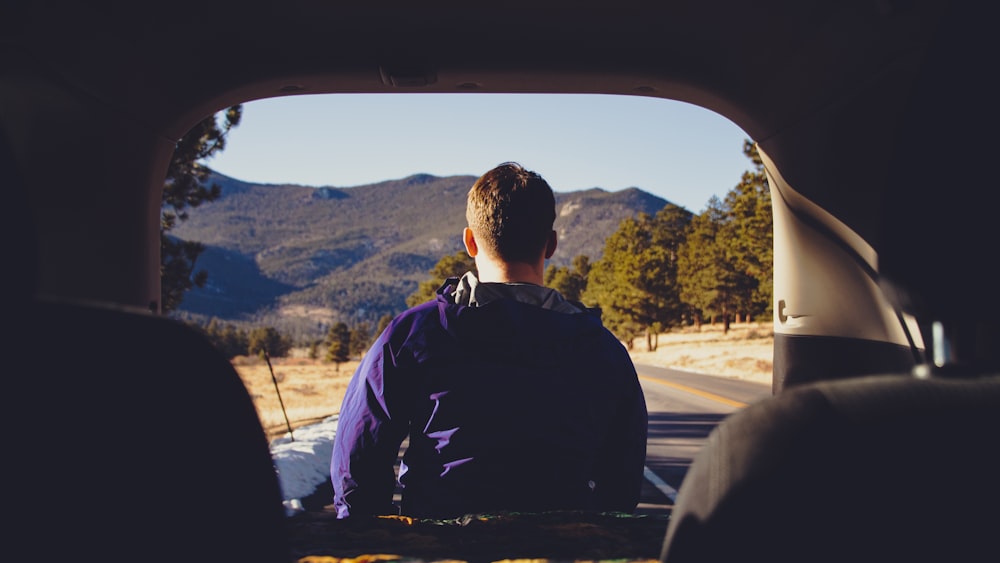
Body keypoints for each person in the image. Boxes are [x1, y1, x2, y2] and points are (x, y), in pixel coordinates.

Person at [330, 162, 648, 519]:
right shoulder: (602, 349)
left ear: (469, 241)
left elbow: (359, 457)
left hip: (440, 549)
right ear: (552, 244)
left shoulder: (412, 334)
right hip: (562, 550)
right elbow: (623, 473)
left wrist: (376, 538)